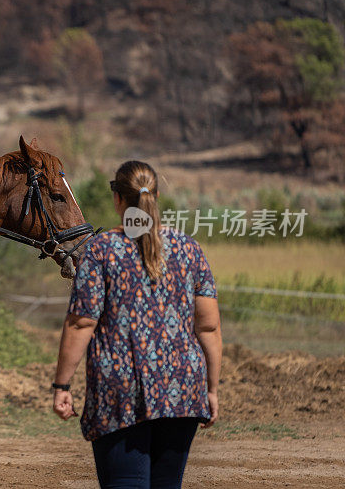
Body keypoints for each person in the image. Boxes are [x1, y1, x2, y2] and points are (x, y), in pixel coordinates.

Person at [51, 161, 222, 489]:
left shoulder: (101, 252)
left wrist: (62, 386)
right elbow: (209, 328)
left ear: (117, 199)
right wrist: (211, 389)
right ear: (156, 196)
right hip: (183, 391)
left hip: (119, 393)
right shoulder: (189, 250)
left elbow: (81, 323)